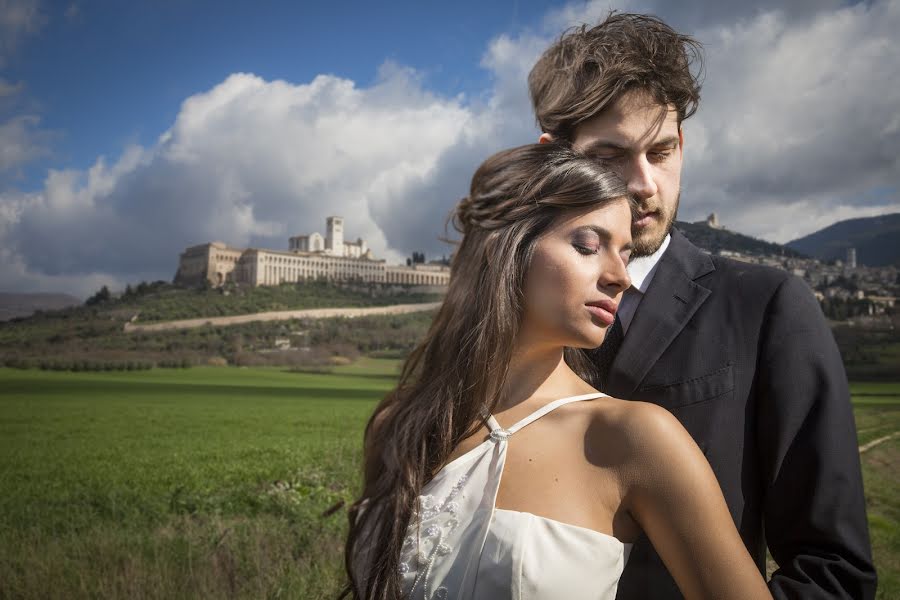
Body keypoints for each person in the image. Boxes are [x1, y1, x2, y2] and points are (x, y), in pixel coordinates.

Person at [528, 12, 877, 599]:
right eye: (610, 156)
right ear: (552, 159)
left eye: (661, 151)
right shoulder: (512, 316)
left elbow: (833, 574)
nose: (644, 183)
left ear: (682, 144)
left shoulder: (768, 306)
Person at [342, 143, 773, 600]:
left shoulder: (634, 439)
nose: (621, 277)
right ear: (503, 247)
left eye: (625, 254)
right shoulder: (402, 424)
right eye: (589, 245)